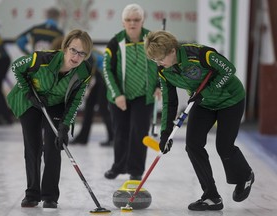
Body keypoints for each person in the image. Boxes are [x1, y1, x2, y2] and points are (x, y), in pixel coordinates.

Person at [144, 30, 254, 211]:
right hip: (203, 104)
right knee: (193, 145)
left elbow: (228, 70)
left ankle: (245, 176)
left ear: (172, 51)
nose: (159, 64)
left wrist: (206, 93)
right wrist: (165, 134)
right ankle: (211, 196)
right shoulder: (164, 71)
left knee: (224, 147)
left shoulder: (199, 54)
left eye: (160, 59)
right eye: (155, 60)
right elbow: (169, 102)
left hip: (230, 99)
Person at [7, 29, 93, 209]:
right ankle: (32, 194)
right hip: (30, 102)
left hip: (55, 104)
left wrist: (65, 126)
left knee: (54, 146)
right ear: (65, 48)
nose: (76, 56)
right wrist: (29, 93)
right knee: (33, 147)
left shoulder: (83, 72)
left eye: (82, 53)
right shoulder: (41, 59)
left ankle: (50, 196)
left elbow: (76, 101)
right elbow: (16, 67)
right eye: (73, 50)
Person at [103, 4, 161, 181]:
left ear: (143, 21)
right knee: (120, 132)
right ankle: (118, 166)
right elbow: (106, 69)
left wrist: (159, 84)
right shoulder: (115, 42)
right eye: (128, 20)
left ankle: (136, 170)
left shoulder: (152, 40)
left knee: (139, 132)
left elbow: (163, 64)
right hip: (119, 95)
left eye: (136, 20)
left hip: (144, 95)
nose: (132, 23)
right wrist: (117, 94)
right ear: (123, 22)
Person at [71, 49, 114, 146]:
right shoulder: (84, 51)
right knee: (89, 107)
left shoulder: (86, 54)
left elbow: (90, 72)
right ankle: (83, 137)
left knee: (103, 108)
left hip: (106, 77)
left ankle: (113, 137)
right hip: (99, 77)